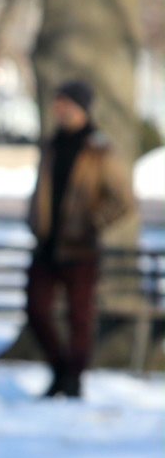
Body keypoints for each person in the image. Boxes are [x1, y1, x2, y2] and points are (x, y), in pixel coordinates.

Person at [26, 78, 135, 398]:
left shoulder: (98, 149)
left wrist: (92, 222)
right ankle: (61, 369)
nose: (60, 111)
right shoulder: (51, 144)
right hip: (47, 245)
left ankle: (73, 378)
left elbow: (123, 200)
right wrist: (34, 219)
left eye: (66, 104)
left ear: (81, 108)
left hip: (81, 247)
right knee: (37, 310)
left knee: (79, 317)